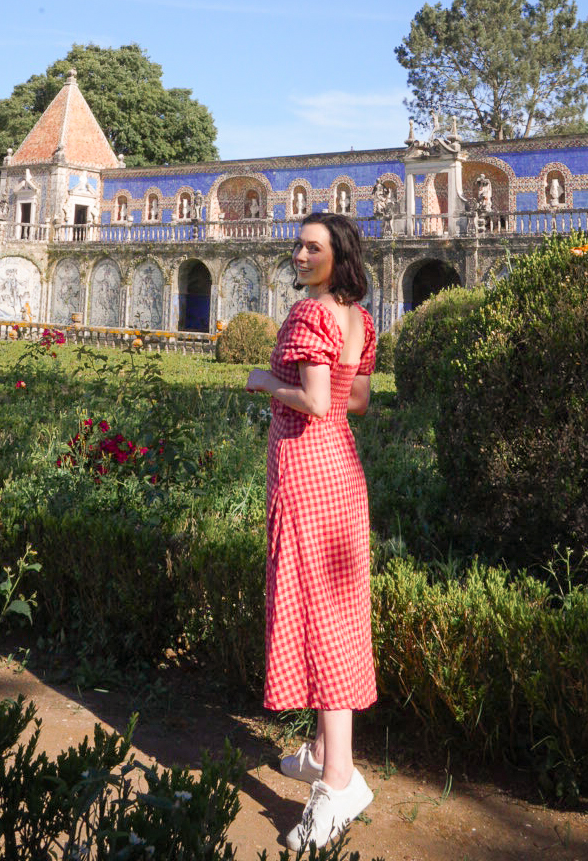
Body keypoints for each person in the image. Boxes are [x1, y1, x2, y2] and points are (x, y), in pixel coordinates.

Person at [245, 212, 376, 852]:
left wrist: (267, 380)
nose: (298, 254)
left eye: (311, 247)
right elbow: (356, 401)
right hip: (343, 473)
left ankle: (338, 783)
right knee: (338, 611)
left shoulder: (310, 316)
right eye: (298, 244)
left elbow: (318, 402)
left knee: (318, 618)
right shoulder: (358, 318)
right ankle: (325, 748)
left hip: (307, 473)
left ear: (337, 256)